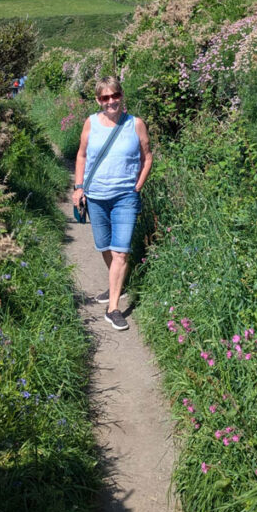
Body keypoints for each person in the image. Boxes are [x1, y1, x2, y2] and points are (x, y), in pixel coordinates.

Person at [72, 76, 152, 331]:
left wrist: (137, 186)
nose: (111, 101)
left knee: (121, 251)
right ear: (98, 100)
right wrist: (78, 188)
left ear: (121, 95)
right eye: (105, 98)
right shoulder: (91, 123)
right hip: (95, 196)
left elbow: (147, 156)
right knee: (104, 246)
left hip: (125, 197)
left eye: (114, 95)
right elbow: (82, 155)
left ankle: (113, 307)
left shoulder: (135, 124)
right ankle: (116, 284)